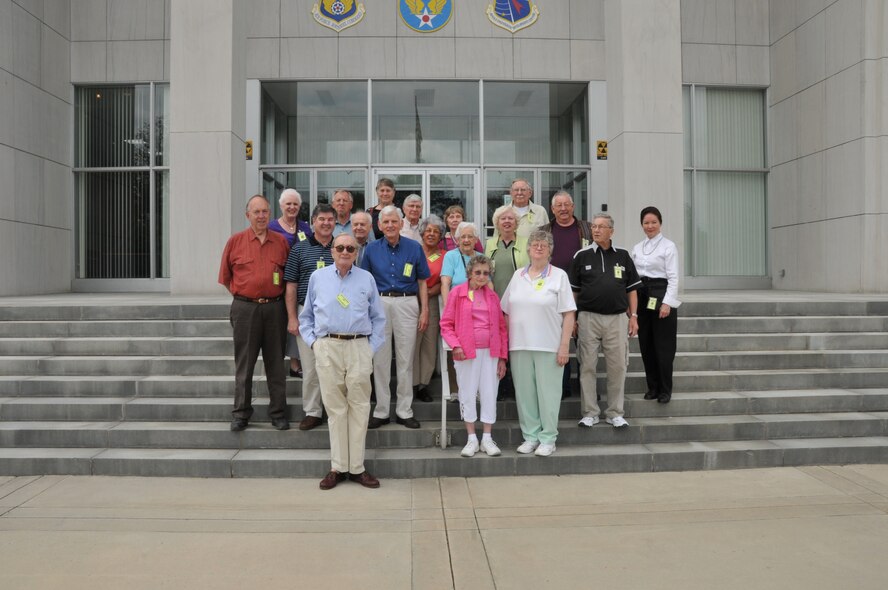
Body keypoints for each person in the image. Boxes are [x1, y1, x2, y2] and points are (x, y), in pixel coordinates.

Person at [300, 233, 387, 490]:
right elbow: (305, 317)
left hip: (359, 345)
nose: (345, 251)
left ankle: (357, 468)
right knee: (335, 409)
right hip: (328, 346)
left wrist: (369, 349)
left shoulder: (366, 278)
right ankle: (337, 467)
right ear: (333, 251)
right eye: (340, 247)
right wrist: (315, 344)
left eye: (350, 248)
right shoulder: (318, 278)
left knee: (359, 406)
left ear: (356, 252)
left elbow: (379, 319)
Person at [218, 195, 290, 432]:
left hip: (275, 309)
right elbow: (226, 278)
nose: (261, 216)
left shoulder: (281, 242)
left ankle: (278, 413)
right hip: (245, 309)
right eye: (256, 212)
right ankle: (240, 413)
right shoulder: (235, 242)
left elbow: (288, 277)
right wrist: (245, 297)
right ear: (247, 215)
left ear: (270, 214)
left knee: (276, 364)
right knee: (244, 364)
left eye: (265, 212)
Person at [501, 230, 576, 456]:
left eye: (544, 244)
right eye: (535, 244)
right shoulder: (517, 276)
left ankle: (548, 438)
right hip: (520, 346)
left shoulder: (559, 276)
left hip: (548, 346)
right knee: (525, 395)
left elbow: (569, 314)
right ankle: (530, 436)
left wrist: (564, 346)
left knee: (549, 395)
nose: (539, 247)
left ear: (550, 249)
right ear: (529, 249)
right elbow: (505, 311)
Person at [361, 205, 430, 429]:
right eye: (386, 222)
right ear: (379, 225)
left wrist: (425, 310)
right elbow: (364, 284)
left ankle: (404, 410)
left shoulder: (414, 247)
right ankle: (381, 411)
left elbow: (422, 281)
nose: (390, 225)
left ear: (401, 223)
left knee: (405, 359)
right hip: (379, 303)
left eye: (394, 221)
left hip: (407, 302)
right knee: (379, 360)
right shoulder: (371, 249)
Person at [569, 213, 641, 429]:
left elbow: (632, 290)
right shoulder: (581, 256)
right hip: (588, 318)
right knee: (587, 366)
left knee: (618, 366)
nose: (596, 230)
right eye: (594, 226)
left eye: (601, 226)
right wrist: (572, 318)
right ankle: (590, 412)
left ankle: (615, 412)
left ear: (612, 230)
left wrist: (634, 316)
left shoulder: (624, 255)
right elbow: (574, 291)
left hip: (617, 318)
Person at [440, 254, 508, 458]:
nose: (481, 276)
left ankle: (487, 438)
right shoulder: (457, 293)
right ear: (469, 273)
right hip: (466, 352)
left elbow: (502, 328)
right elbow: (446, 324)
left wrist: (503, 358)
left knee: (489, 393)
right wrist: (455, 345)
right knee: (467, 393)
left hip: (491, 352)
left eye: (486, 273)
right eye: (478, 272)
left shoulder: (492, 296)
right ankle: (471, 438)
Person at [283, 203, 336, 431]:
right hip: (307, 315)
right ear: (313, 221)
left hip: (336, 317)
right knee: (311, 367)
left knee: (335, 367)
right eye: (321, 219)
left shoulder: (343, 247)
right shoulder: (299, 249)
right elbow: (291, 287)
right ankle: (313, 411)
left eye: (330, 219)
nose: (326, 223)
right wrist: (292, 318)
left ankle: (335, 410)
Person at [541, 191, 593, 398]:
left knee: (585, 342)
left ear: (573, 207)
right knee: (557, 340)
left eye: (566, 205)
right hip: (554, 293)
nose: (563, 209)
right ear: (552, 210)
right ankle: (562, 387)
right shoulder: (545, 230)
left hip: (585, 291)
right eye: (558, 206)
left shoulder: (587, 229)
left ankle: (585, 388)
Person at [631, 206, 681, 404]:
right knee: (646, 344)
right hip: (643, 296)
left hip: (661, 295)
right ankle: (652, 387)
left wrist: (667, 303)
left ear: (660, 223)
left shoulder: (668, 246)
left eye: (654, 222)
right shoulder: (637, 247)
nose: (650, 226)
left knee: (664, 346)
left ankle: (664, 389)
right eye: (646, 222)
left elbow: (674, 278)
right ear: (642, 224)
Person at [485, 205, 528, 400]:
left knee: (516, 342)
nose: (507, 221)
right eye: (503, 219)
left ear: (516, 223)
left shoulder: (526, 243)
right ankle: (499, 384)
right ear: (497, 223)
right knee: (498, 341)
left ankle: (515, 384)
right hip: (494, 301)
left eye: (511, 219)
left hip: (519, 302)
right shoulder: (489, 244)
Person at [268, 188, 313, 378]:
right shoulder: (272, 227)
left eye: (295, 204)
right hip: (279, 280)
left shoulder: (305, 227)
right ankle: (291, 363)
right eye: (288, 204)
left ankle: (298, 362)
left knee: (299, 319)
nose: (292, 207)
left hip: (301, 280)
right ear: (281, 206)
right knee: (287, 320)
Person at [413, 215, 446, 403]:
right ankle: (411, 382)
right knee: (412, 343)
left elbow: (444, 279)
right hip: (411, 301)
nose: (432, 234)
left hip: (432, 301)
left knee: (428, 343)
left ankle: (423, 385)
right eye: (429, 230)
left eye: (436, 231)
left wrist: (428, 294)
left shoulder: (444, 255)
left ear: (441, 236)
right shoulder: (414, 250)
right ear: (422, 232)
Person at [440, 221, 483, 304]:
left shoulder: (482, 258)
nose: (466, 240)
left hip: (479, 304)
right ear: (458, 240)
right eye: (463, 237)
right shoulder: (450, 256)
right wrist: (447, 306)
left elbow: (488, 283)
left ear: (476, 240)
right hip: (457, 303)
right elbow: (445, 284)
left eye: (470, 236)